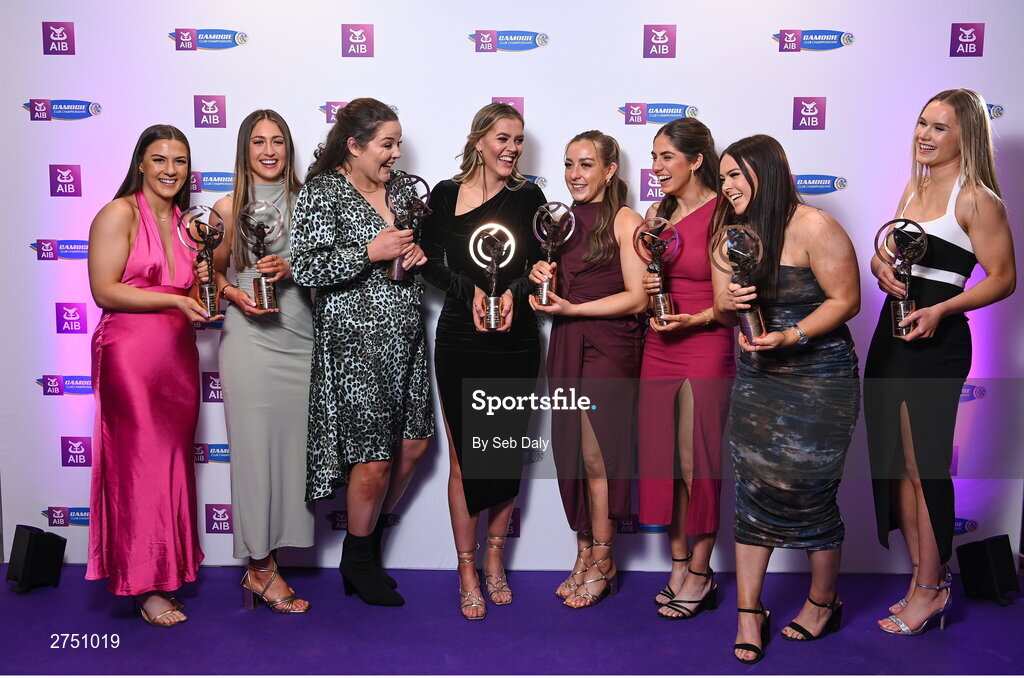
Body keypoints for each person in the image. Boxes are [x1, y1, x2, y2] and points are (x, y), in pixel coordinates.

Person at [865, 88, 1015, 636]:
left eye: (940, 127)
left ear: (966, 135)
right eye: (922, 123)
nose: (925, 135)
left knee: (924, 463)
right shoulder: (915, 185)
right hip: (891, 332)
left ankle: (933, 589)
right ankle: (921, 578)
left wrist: (942, 310)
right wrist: (881, 269)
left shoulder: (977, 199)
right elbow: (891, 254)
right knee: (897, 465)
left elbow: (1003, 278)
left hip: (937, 341)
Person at [717, 135, 860, 663]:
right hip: (759, 379)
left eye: (736, 175)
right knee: (753, 489)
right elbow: (720, 301)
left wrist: (792, 334)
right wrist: (732, 305)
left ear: (766, 173)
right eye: (723, 176)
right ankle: (749, 612)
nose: (727, 185)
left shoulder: (814, 226)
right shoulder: (732, 234)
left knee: (810, 492)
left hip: (818, 379)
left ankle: (823, 601)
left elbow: (848, 300)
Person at [290, 98, 433, 607]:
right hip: (357, 345)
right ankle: (359, 558)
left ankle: (364, 546)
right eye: (386, 144)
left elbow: (411, 252)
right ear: (353, 145)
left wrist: (415, 255)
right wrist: (370, 252)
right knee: (371, 461)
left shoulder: (398, 191)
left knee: (414, 444)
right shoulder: (324, 191)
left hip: (407, 338)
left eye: (398, 143)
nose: (396, 153)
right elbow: (304, 268)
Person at [419, 102, 546, 619]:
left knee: (503, 452)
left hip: (515, 337)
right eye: (502, 138)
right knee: (465, 458)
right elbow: (425, 260)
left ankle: (495, 561)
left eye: (518, 140)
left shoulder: (530, 197)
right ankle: (466, 567)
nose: (512, 149)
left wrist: (515, 289)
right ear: (478, 141)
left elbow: (541, 262)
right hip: (459, 335)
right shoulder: (445, 195)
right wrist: (466, 286)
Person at [86, 124, 211, 626]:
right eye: (159, 159)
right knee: (138, 467)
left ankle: (166, 571)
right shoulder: (119, 213)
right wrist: (176, 297)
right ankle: (143, 585)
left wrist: (202, 288)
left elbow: (194, 303)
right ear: (141, 162)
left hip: (177, 361)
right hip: (130, 359)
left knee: (171, 467)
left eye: (179, 161)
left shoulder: (188, 224)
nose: (169, 170)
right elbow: (104, 290)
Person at [529, 130, 646, 608]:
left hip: (610, 346)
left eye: (586, 165)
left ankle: (604, 558)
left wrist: (573, 309)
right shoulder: (559, 223)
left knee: (600, 456)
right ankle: (583, 555)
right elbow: (552, 293)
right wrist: (541, 278)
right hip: (567, 342)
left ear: (609, 170)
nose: (575, 175)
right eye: (569, 164)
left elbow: (638, 297)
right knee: (573, 455)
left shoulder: (625, 220)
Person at [204, 110, 314, 613]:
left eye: (278, 141)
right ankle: (259, 568)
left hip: (302, 338)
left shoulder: (310, 203)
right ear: (244, 151)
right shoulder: (227, 208)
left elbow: (330, 267)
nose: (269, 151)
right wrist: (233, 293)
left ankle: (271, 557)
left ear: (288, 148)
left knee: (291, 457)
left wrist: (296, 266)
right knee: (251, 455)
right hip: (250, 340)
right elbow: (209, 275)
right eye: (258, 142)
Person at [635, 118, 735, 620]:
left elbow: (733, 304)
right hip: (659, 343)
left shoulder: (724, 213)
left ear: (696, 160)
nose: (656, 168)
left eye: (666, 157)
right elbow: (650, 279)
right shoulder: (659, 213)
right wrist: (649, 287)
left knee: (699, 462)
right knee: (666, 460)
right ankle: (678, 563)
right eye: (653, 158)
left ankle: (701, 569)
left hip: (705, 341)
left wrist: (690, 318)